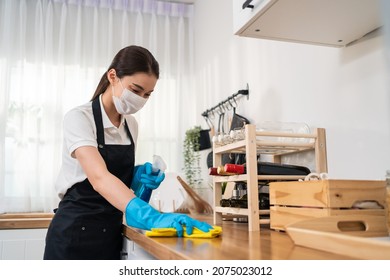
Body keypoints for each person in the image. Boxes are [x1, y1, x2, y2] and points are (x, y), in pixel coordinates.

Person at [44, 45, 212, 260]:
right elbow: (98, 177)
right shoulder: (79, 118)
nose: (140, 99)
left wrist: (136, 176)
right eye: (135, 90)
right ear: (113, 76)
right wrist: (151, 217)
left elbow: (112, 174)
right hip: (74, 232)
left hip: (110, 231)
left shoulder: (130, 125)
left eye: (147, 94)